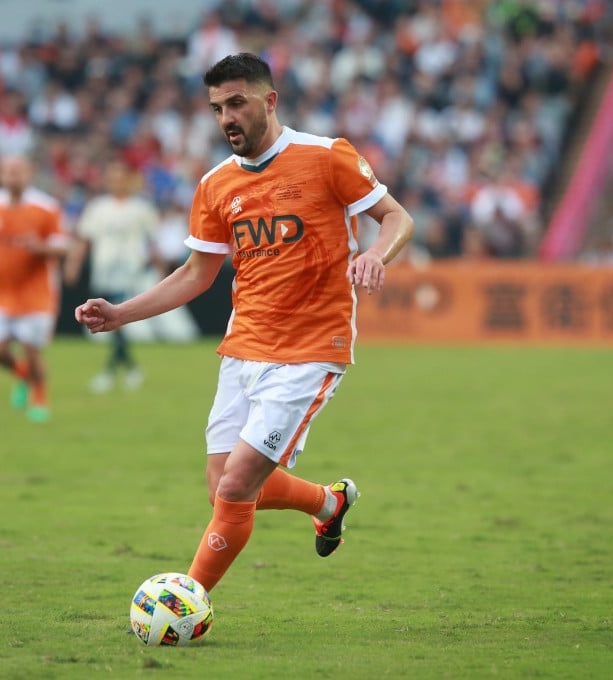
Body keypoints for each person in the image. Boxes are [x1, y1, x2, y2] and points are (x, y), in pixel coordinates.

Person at [76, 53, 414, 593]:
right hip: (242, 347)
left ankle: (185, 600)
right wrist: (121, 314)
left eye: (236, 103)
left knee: (235, 487)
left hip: (310, 350)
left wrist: (376, 254)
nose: (226, 118)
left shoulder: (326, 156)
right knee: (222, 488)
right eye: (217, 108)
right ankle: (328, 503)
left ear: (269, 101)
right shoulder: (216, 184)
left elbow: (397, 216)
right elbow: (195, 274)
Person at [0, 155, 67, 423]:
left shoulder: (45, 207)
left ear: (28, 174)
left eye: (18, 171)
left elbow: (62, 246)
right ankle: (22, 375)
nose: (13, 176)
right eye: (8, 171)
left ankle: (40, 397)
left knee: (32, 350)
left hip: (36, 293)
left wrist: (40, 248)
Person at [65, 158, 160, 393]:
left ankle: (110, 373)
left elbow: (153, 242)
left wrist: (160, 270)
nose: (117, 182)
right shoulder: (98, 208)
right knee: (113, 324)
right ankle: (130, 369)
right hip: (104, 270)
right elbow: (84, 239)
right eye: (113, 178)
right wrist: (73, 265)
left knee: (116, 321)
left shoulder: (141, 208)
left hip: (130, 271)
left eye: (121, 178)